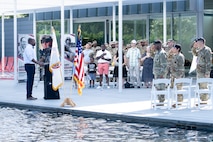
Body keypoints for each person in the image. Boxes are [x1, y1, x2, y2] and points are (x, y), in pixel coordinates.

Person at [192, 37, 212, 104]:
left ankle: (204, 100)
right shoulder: (199, 50)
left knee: (204, 85)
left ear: (202, 42)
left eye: (198, 42)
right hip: (199, 71)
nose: (197, 44)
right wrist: (194, 47)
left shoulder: (207, 50)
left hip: (204, 71)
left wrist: (207, 72)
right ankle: (202, 100)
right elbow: (195, 54)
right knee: (200, 85)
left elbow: (208, 62)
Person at [40, 35, 60, 99]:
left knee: (49, 82)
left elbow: (43, 59)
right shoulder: (54, 49)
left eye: (43, 42)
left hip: (49, 66)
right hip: (53, 67)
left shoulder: (48, 50)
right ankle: (52, 94)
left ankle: (49, 95)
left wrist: (41, 62)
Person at [153, 40, 168, 105]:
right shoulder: (157, 53)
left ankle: (161, 101)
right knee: (158, 88)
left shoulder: (162, 53)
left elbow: (164, 65)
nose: (154, 46)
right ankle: (159, 101)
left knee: (161, 87)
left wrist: (162, 74)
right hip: (157, 74)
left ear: (159, 45)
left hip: (160, 74)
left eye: (155, 45)